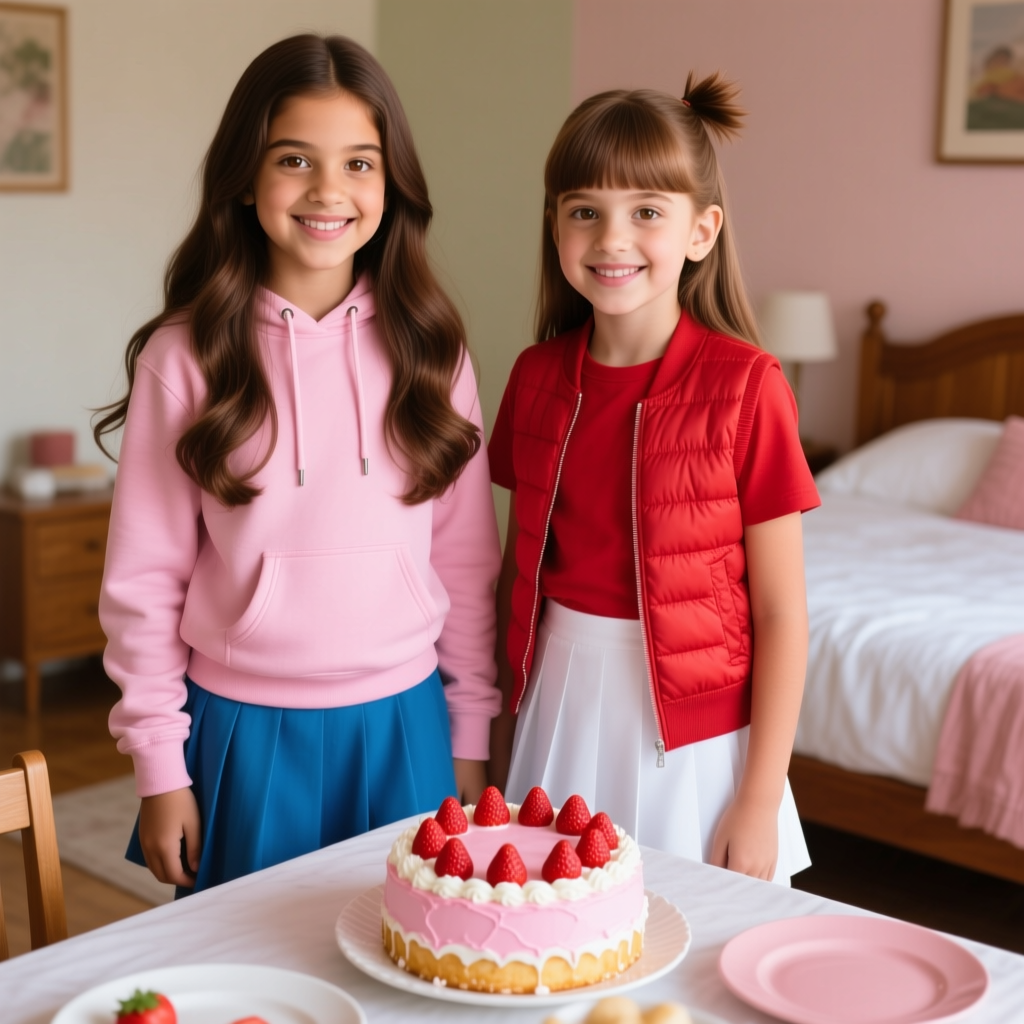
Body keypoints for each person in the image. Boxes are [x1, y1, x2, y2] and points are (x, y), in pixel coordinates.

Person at [94, 35, 500, 894]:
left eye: (360, 162)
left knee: (410, 968)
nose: (328, 191)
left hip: (407, 724)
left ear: (391, 185)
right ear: (246, 177)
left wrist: (469, 733)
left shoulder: (434, 352)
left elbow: (465, 563)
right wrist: (161, 769)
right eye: (294, 160)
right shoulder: (186, 357)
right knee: (248, 981)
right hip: (241, 730)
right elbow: (143, 582)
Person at [487, 76, 819, 884]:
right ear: (555, 226)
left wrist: (759, 796)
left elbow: (781, 613)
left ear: (701, 231)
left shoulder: (748, 386)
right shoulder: (534, 377)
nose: (612, 238)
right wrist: (495, 736)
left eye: (646, 212)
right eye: (584, 211)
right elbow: (514, 572)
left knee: (687, 951)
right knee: (546, 933)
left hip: (695, 741)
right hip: (555, 704)